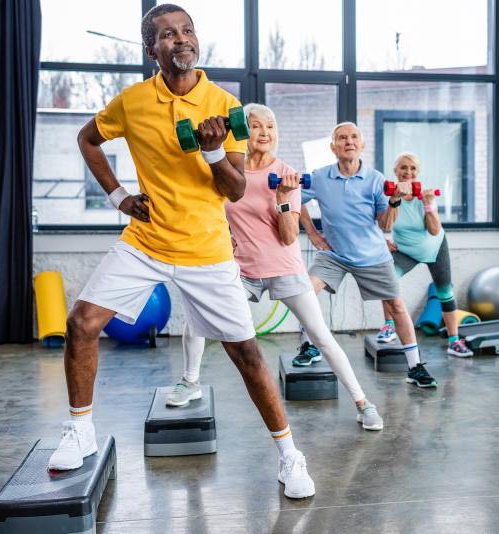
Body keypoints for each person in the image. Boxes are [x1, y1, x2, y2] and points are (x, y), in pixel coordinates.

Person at [47, 4, 314, 499]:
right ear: (153, 50)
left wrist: (213, 151)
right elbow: (87, 139)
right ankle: (79, 430)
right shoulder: (132, 102)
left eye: (188, 31)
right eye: (168, 34)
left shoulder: (224, 105)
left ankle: (289, 455)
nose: (181, 39)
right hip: (146, 240)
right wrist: (119, 198)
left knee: (247, 354)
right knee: (82, 322)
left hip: (206, 249)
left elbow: (234, 191)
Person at [169, 104, 383, 431]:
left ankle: (363, 403)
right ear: (242, 131)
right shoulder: (227, 171)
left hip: (284, 267)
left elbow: (286, 238)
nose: (265, 133)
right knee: (197, 317)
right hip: (241, 270)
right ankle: (190, 380)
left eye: (270, 127)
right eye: (256, 126)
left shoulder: (285, 173)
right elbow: (208, 210)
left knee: (321, 336)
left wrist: (283, 195)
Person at [298, 122, 438, 388]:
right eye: (342, 138)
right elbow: (293, 197)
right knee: (305, 293)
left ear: (361, 145)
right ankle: (309, 346)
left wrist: (395, 199)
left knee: (396, 305)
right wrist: (313, 234)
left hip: (372, 255)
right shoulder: (320, 177)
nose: (348, 141)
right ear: (333, 147)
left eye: (353, 137)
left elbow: (385, 225)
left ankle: (415, 367)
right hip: (335, 254)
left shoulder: (375, 180)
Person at [378, 152, 473, 357]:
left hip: (434, 247)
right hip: (405, 251)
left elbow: (434, 231)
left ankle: (454, 341)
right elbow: (385, 225)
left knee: (445, 292)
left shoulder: (424, 196)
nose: (408, 172)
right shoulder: (389, 195)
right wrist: (382, 240)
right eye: (403, 168)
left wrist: (428, 204)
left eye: (413, 169)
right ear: (396, 171)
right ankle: (388, 326)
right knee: (387, 280)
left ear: (418, 173)